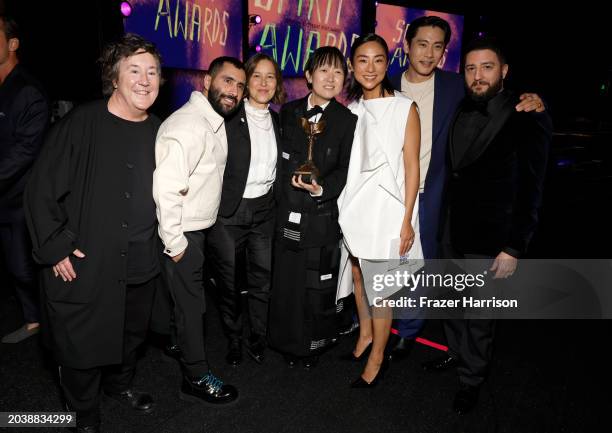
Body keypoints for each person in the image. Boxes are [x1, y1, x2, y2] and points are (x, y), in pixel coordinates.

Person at [24, 34, 162, 433]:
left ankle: (120, 386)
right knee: (80, 343)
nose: (144, 79)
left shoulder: (160, 131)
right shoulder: (81, 123)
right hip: (89, 259)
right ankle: (81, 413)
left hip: (141, 259)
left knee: (131, 335)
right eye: (133, 70)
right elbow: (40, 191)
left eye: (152, 72)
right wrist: (55, 249)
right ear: (114, 77)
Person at [387, 15, 547, 357]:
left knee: (422, 265)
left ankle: (410, 329)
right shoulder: (385, 82)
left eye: (438, 46)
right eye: (421, 44)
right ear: (406, 45)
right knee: (387, 261)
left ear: (445, 52)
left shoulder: (453, 85)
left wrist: (535, 101)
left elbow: (494, 94)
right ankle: (377, 321)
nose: (429, 54)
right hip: (388, 193)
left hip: (434, 196)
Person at [436, 36, 551, 414]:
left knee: (481, 316)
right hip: (453, 230)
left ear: (504, 71)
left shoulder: (527, 114)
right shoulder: (459, 106)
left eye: (487, 67)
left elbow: (532, 188)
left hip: (492, 237)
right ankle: (455, 354)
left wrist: (515, 246)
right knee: (452, 304)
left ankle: (472, 379)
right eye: (470, 68)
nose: (478, 75)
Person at [153, 56, 245, 404]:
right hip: (183, 233)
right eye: (226, 81)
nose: (233, 90)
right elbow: (166, 187)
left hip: (195, 230)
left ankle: (177, 342)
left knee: (184, 303)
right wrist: (176, 243)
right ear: (207, 81)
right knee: (194, 307)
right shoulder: (190, 125)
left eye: (239, 85)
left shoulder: (212, 121)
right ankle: (195, 376)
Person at [336, 34, 422, 387]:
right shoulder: (351, 110)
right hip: (356, 205)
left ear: (387, 64)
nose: (369, 68)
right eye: (362, 60)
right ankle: (365, 336)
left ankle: (377, 359)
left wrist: (407, 221)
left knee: (381, 287)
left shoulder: (405, 108)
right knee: (357, 276)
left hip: (388, 209)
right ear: (352, 66)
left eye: (377, 60)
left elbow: (413, 167)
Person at [267, 46, 357, 369]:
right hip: (287, 212)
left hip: (322, 217)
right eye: (323, 70)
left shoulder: (348, 121)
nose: (331, 78)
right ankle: (282, 341)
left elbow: (347, 169)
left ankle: (312, 347)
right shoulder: (287, 112)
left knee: (316, 286)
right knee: (287, 283)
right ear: (308, 76)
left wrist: (322, 188)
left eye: (337, 72)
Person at [207, 53, 284, 366]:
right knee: (228, 283)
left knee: (262, 281)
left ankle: (258, 337)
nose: (264, 83)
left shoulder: (279, 120)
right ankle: (234, 339)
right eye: (257, 76)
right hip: (230, 214)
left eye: (270, 77)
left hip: (265, 210)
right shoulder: (226, 119)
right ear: (246, 82)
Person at [0, 14, 48, 343]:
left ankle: (43, 322)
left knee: (22, 266)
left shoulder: (28, 91)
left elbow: (25, 151)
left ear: (12, 44)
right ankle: (34, 318)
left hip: (20, 198)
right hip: (3, 197)